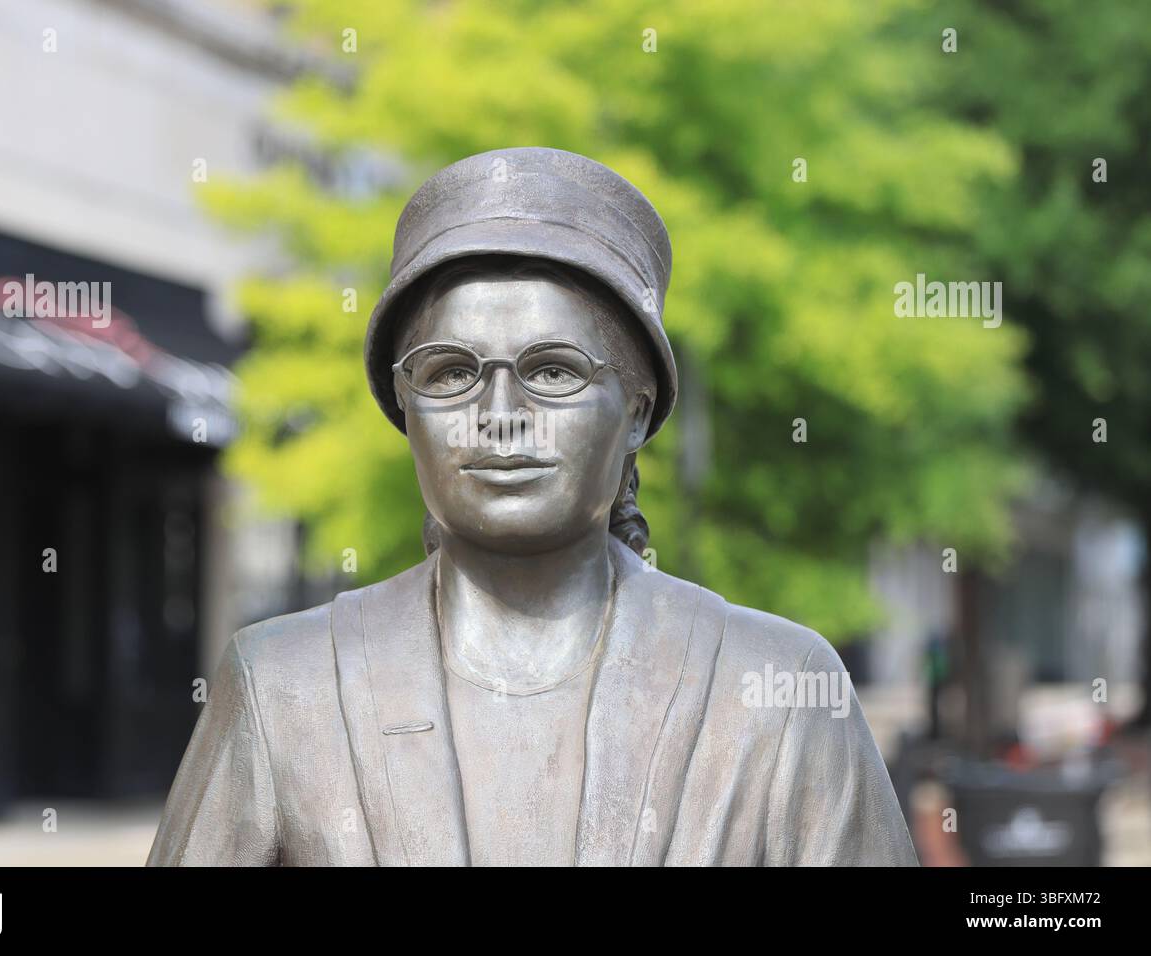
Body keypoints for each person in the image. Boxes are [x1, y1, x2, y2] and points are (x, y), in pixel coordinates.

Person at [147, 147, 918, 866]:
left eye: (554, 371)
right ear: (403, 409)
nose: (502, 412)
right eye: (450, 373)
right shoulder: (284, 683)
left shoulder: (780, 688)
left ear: (639, 412)